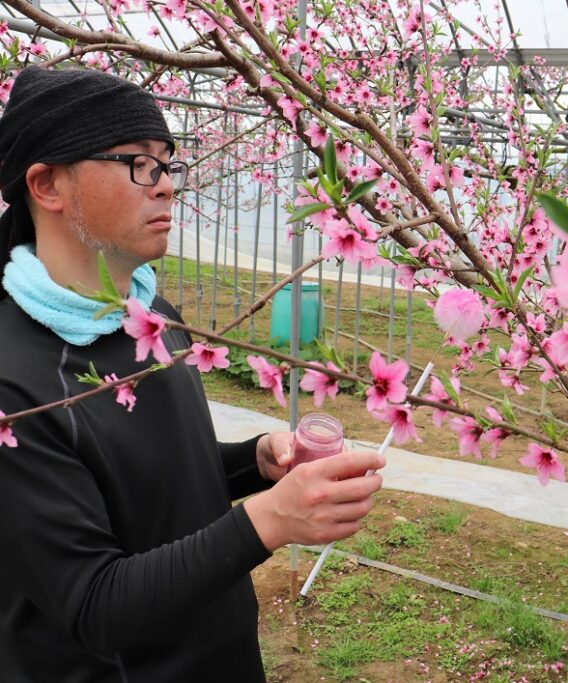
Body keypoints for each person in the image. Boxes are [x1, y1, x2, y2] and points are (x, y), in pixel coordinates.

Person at [0, 66, 383, 681]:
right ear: (47, 184)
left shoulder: (150, 314)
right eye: (137, 164)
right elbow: (93, 604)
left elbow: (156, 475)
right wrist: (272, 520)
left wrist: (253, 461)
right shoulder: (13, 384)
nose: (165, 187)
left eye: (167, 165)